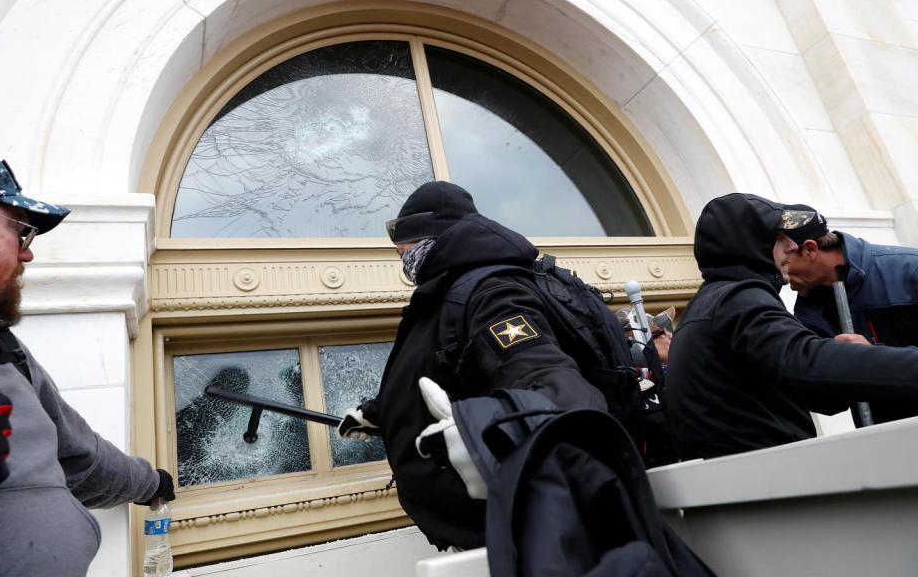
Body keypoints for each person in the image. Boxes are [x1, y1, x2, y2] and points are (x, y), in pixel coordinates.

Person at [337, 181, 607, 550]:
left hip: (504, 534)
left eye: (403, 238)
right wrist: (379, 411)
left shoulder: (490, 293)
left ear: (434, 235)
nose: (399, 251)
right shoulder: (446, 295)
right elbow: (441, 376)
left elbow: (557, 389)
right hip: (470, 529)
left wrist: (482, 433)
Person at [0, 141, 175, 576]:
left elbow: (82, 461)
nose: (27, 252)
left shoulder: (3, 349)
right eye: (21, 229)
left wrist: (150, 482)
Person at [666, 192, 918, 460]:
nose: (790, 246)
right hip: (763, 478)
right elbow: (806, 361)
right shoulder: (739, 299)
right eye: (778, 237)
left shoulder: (711, 303)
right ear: (751, 244)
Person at [781, 204, 918, 424]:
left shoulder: (910, 269)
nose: (783, 276)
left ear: (810, 249)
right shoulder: (809, 311)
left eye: (785, 262)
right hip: (885, 443)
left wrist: (873, 358)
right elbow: (831, 403)